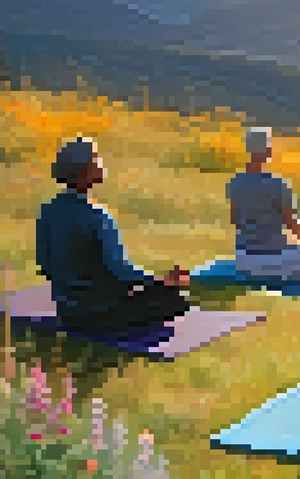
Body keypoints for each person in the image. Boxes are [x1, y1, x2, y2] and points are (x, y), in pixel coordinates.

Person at [35, 137, 192, 333]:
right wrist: (162, 280)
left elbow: (44, 264)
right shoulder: (97, 216)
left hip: (67, 311)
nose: (101, 163)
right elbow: (122, 272)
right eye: (96, 160)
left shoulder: (48, 210)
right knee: (175, 300)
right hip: (100, 312)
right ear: (83, 172)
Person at [226, 127, 300, 281]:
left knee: (293, 247)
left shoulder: (235, 182)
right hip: (272, 261)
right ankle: (289, 274)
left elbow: (235, 220)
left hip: (243, 260)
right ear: (268, 151)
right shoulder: (278, 184)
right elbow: (294, 228)